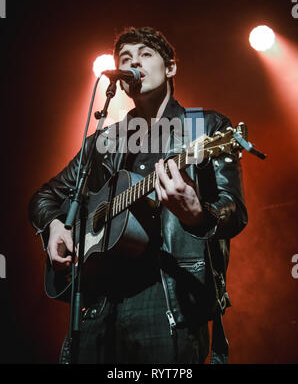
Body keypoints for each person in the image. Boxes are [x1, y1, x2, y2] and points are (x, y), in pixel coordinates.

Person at [29, 26, 248, 364]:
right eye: (126, 58)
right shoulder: (105, 142)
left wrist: (196, 214)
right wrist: (54, 226)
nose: (134, 63)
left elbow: (233, 211)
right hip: (101, 303)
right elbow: (44, 197)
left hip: (169, 299)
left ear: (171, 67)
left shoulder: (205, 128)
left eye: (145, 54)